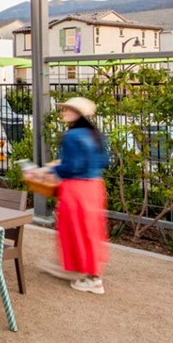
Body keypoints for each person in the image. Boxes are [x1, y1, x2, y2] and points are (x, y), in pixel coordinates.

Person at [45, 97, 110, 294]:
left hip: (75, 189)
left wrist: (52, 169)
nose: (64, 111)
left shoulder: (71, 136)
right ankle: (89, 271)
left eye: (68, 109)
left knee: (74, 230)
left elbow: (71, 166)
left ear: (78, 113)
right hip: (94, 187)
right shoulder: (96, 134)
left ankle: (91, 278)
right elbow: (104, 161)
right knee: (90, 231)